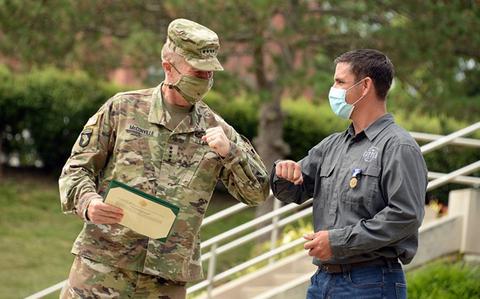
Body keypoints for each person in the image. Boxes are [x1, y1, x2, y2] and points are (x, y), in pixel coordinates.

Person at [58, 18, 269, 299]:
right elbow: (76, 169)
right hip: (102, 268)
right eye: (197, 73)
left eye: (210, 74)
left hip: (165, 280)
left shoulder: (218, 129)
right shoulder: (123, 108)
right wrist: (88, 203)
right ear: (168, 68)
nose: (205, 81)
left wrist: (232, 152)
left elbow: (258, 193)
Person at [271, 49, 427, 299]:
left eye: (340, 82)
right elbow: (294, 190)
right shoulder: (332, 145)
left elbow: (405, 215)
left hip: (371, 283)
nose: (332, 89)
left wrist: (338, 241)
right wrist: (283, 174)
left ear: (365, 86)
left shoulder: (399, 146)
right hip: (322, 281)